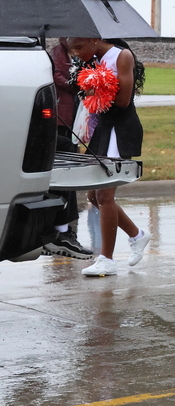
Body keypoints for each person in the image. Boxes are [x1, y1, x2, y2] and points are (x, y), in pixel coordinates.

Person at [67, 37, 151, 276]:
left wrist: (97, 86)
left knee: (104, 194)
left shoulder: (121, 56)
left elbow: (123, 101)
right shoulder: (92, 60)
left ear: (95, 40)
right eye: (72, 49)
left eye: (79, 47)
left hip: (120, 129)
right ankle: (137, 235)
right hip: (103, 129)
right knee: (94, 196)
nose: (76, 53)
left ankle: (107, 259)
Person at [43, 37, 93, 259]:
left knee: (67, 161)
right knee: (66, 166)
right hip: (59, 116)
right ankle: (61, 229)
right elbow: (56, 77)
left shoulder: (71, 53)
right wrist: (75, 84)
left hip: (69, 114)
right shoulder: (57, 53)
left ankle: (63, 228)